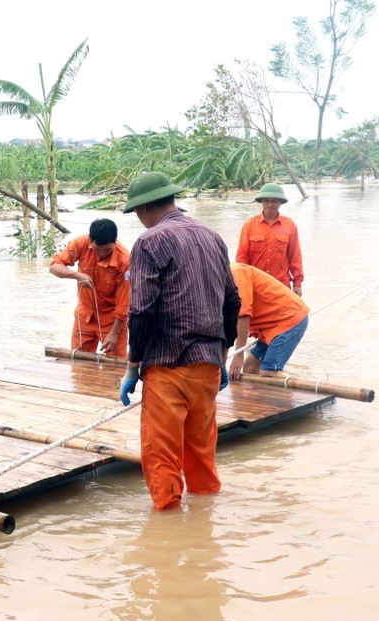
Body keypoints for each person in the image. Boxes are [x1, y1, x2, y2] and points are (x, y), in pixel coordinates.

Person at [119, 172, 241, 511]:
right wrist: (223, 354)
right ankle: (205, 524)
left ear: (144, 208)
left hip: (168, 364)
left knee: (162, 454)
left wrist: (132, 366)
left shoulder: (150, 241)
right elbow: (232, 301)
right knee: (201, 451)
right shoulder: (212, 236)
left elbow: (140, 312)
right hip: (208, 366)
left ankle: (168, 531)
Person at [50, 218, 131, 357]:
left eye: (107, 250)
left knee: (115, 367)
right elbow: (54, 266)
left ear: (115, 242)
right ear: (90, 240)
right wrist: (76, 275)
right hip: (84, 316)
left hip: (112, 320)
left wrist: (114, 333)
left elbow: (125, 303)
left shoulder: (125, 260)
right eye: (97, 249)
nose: (101, 254)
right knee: (78, 364)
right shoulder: (81, 243)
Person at [227, 263, 310, 379]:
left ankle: (286, 395)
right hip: (270, 325)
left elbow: (244, 315)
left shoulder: (235, 273)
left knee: (268, 372)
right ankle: (255, 397)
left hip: (289, 319)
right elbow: (224, 325)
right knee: (250, 367)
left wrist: (238, 355)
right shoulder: (214, 285)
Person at [236, 182, 304, 296]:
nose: (270, 204)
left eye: (274, 201)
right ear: (261, 202)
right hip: (256, 285)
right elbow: (242, 258)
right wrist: (243, 284)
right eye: (266, 200)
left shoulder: (289, 225)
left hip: (281, 286)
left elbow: (295, 256)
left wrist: (297, 283)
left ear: (281, 202)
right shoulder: (249, 225)